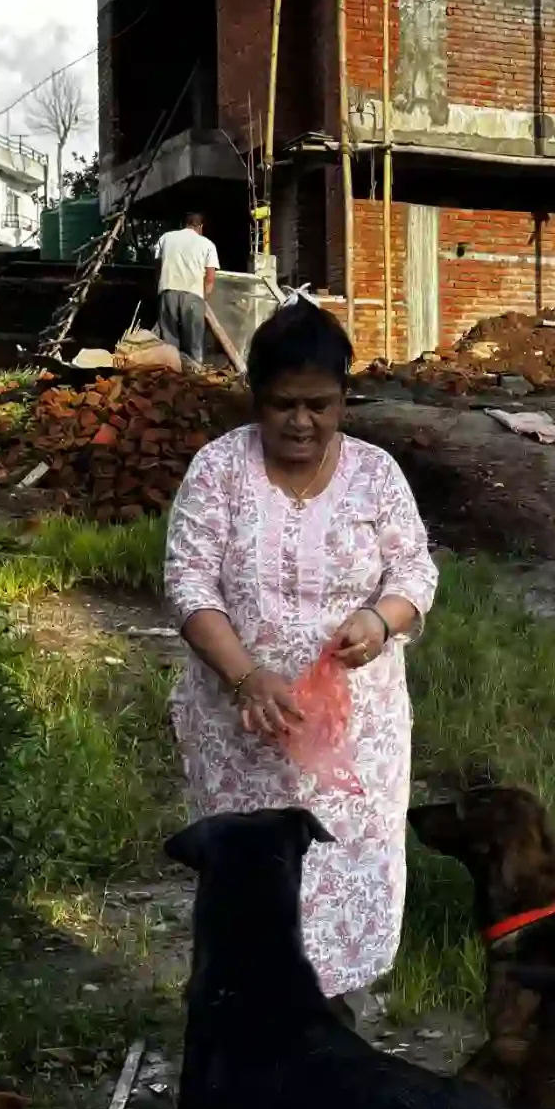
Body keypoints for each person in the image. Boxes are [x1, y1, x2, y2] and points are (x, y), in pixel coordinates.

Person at [163, 298, 438, 1005]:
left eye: (320, 405)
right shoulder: (219, 471)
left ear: (344, 398)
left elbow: (414, 573)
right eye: (283, 404)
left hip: (353, 740)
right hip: (241, 731)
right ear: (256, 398)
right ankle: (245, 1022)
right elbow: (188, 583)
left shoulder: (376, 475)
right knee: (251, 886)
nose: (301, 422)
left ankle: (330, 1021)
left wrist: (379, 620)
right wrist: (246, 676)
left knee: (343, 873)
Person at [156, 207, 220, 367]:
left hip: (168, 291)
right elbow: (210, 278)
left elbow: (157, 267)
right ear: (201, 226)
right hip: (193, 295)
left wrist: (161, 286)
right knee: (194, 343)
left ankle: (171, 371)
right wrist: (203, 299)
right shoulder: (207, 244)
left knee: (169, 341)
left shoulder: (166, 238)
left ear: (184, 224)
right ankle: (195, 372)